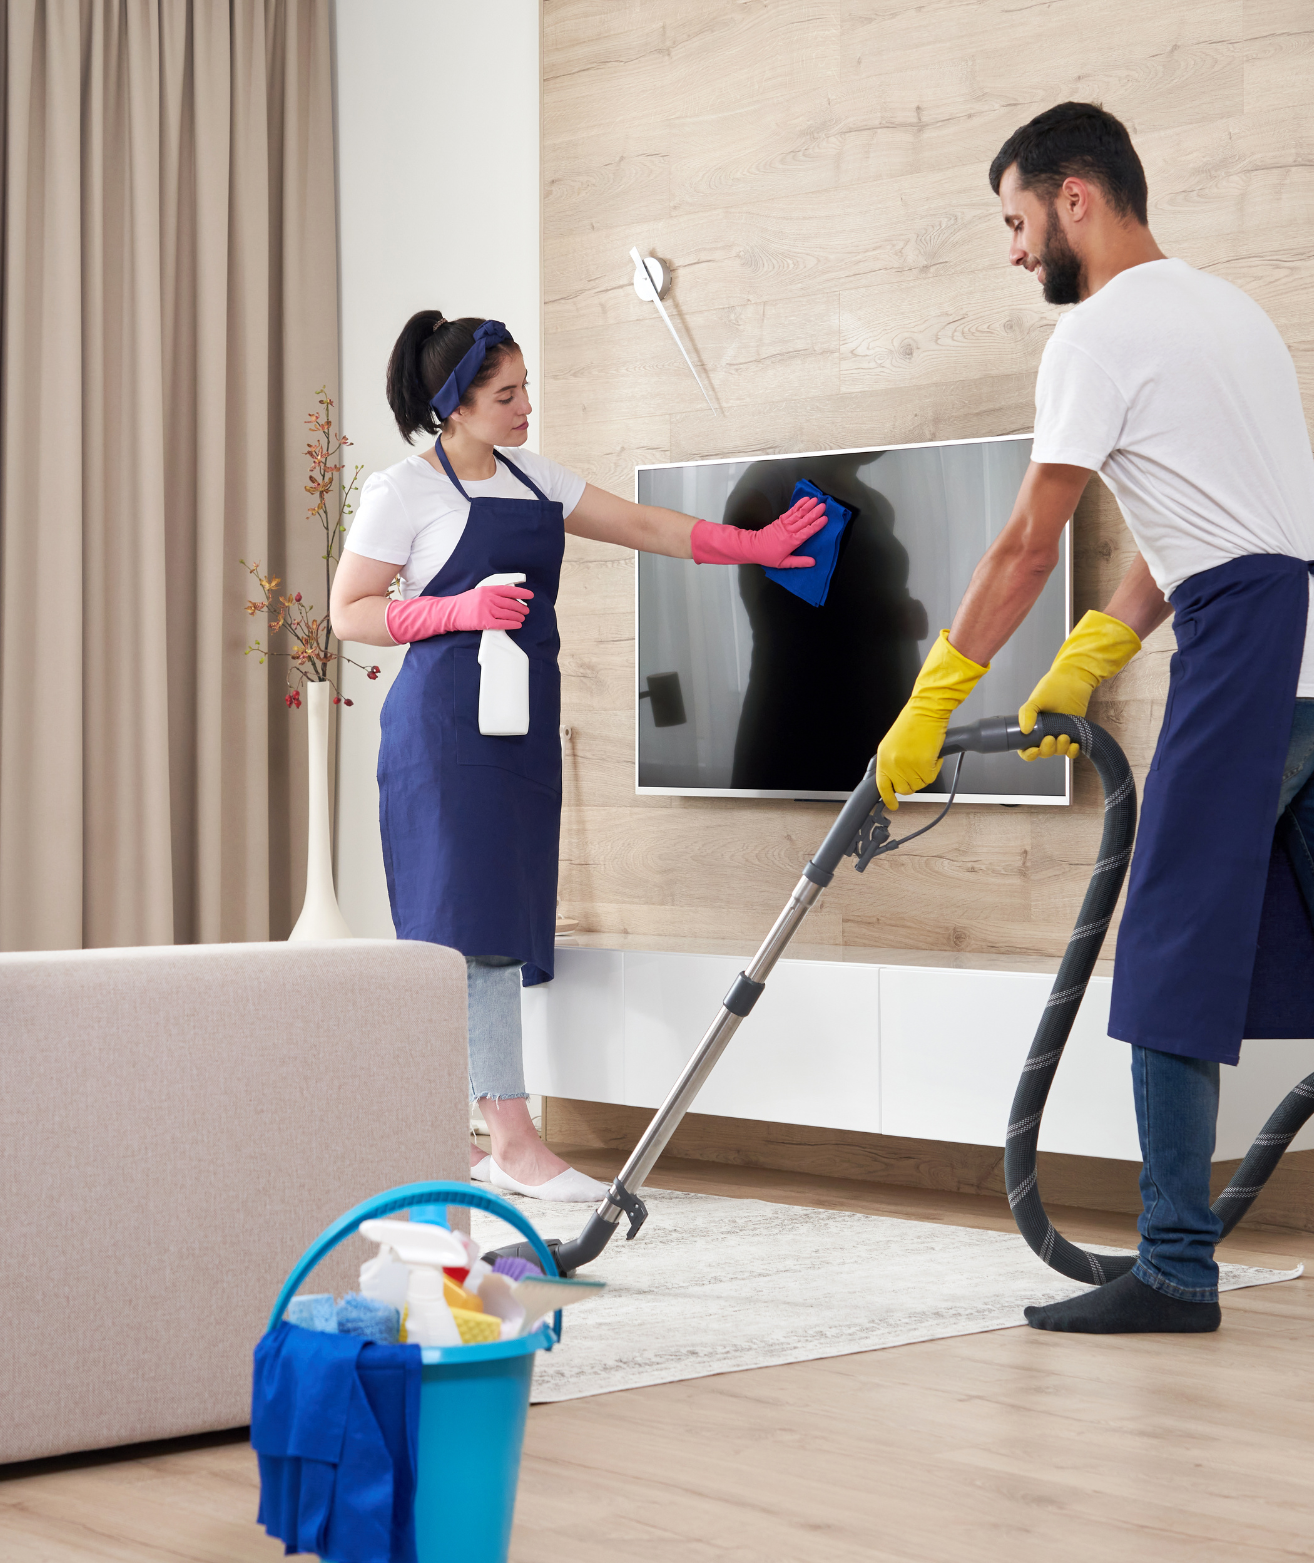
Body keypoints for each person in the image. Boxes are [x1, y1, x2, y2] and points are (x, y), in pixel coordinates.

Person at [876, 102, 1314, 1333]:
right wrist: (1101, 643)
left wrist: (933, 696)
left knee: (1171, 945)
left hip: (1249, 656)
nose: (1015, 250)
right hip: (1297, 635)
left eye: (1016, 220)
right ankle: (1175, 1253)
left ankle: (1177, 1265)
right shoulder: (1232, 312)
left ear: (1077, 195)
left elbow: (1027, 541)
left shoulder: (1100, 337)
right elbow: (1224, 515)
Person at [331, 312, 828, 1199]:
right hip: (442, 735)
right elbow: (350, 613)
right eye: (505, 394)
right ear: (455, 408)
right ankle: (514, 1139)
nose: (527, 406)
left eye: (526, 385)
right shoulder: (402, 491)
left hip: (519, 727)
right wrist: (455, 610)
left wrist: (751, 547)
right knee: (470, 935)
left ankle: (473, 1139)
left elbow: (643, 523)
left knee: (500, 928)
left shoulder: (534, 478)